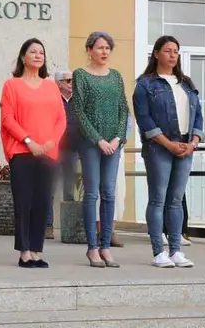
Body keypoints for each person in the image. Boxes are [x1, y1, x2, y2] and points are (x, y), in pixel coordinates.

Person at [133, 35, 203, 269]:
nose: (173, 55)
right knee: (158, 199)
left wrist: (193, 142)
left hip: (185, 147)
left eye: (176, 51)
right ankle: (158, 252)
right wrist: (168, 143)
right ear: (156, 54)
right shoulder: (145, 84)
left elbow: (198, 115)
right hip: (158, 147)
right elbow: (144, 119)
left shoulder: (186, 83)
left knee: (176, 200)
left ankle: (176, 250)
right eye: (168, 50)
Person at [0, 38, 66, 268]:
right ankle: (25, 252)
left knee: (42, 202)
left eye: (41, 53)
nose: (38, 56)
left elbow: (61, 119)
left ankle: (37, 250)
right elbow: (8, 118)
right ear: (23, 57)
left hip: (48, 152)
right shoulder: (12, 85)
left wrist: (51, 142)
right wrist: (29, 141)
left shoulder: (51, 86)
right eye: (33, 52)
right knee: (24, 202)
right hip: (22, 151)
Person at [72, 31, 129, 268]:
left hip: (113, 144)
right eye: (100, 47)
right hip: (91, 143)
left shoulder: (116, 76)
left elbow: (123, 109)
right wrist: (98, 140)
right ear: (89, 50)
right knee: (92, 194)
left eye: (107, 48)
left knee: (109, 193)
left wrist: (117, 138)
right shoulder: (81, 75)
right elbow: (79, 111)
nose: (104, 52)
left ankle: (106, 246)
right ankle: (92, 247)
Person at [45, 71, 78, 240]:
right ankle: (48, 226)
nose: (72, 83)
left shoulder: (77, 101)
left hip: (72, 150)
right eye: (68, 80)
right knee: (50, 188)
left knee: (69, 190)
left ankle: (69, 228)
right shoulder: (52, 100)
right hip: (54, 150)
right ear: (58, 83)